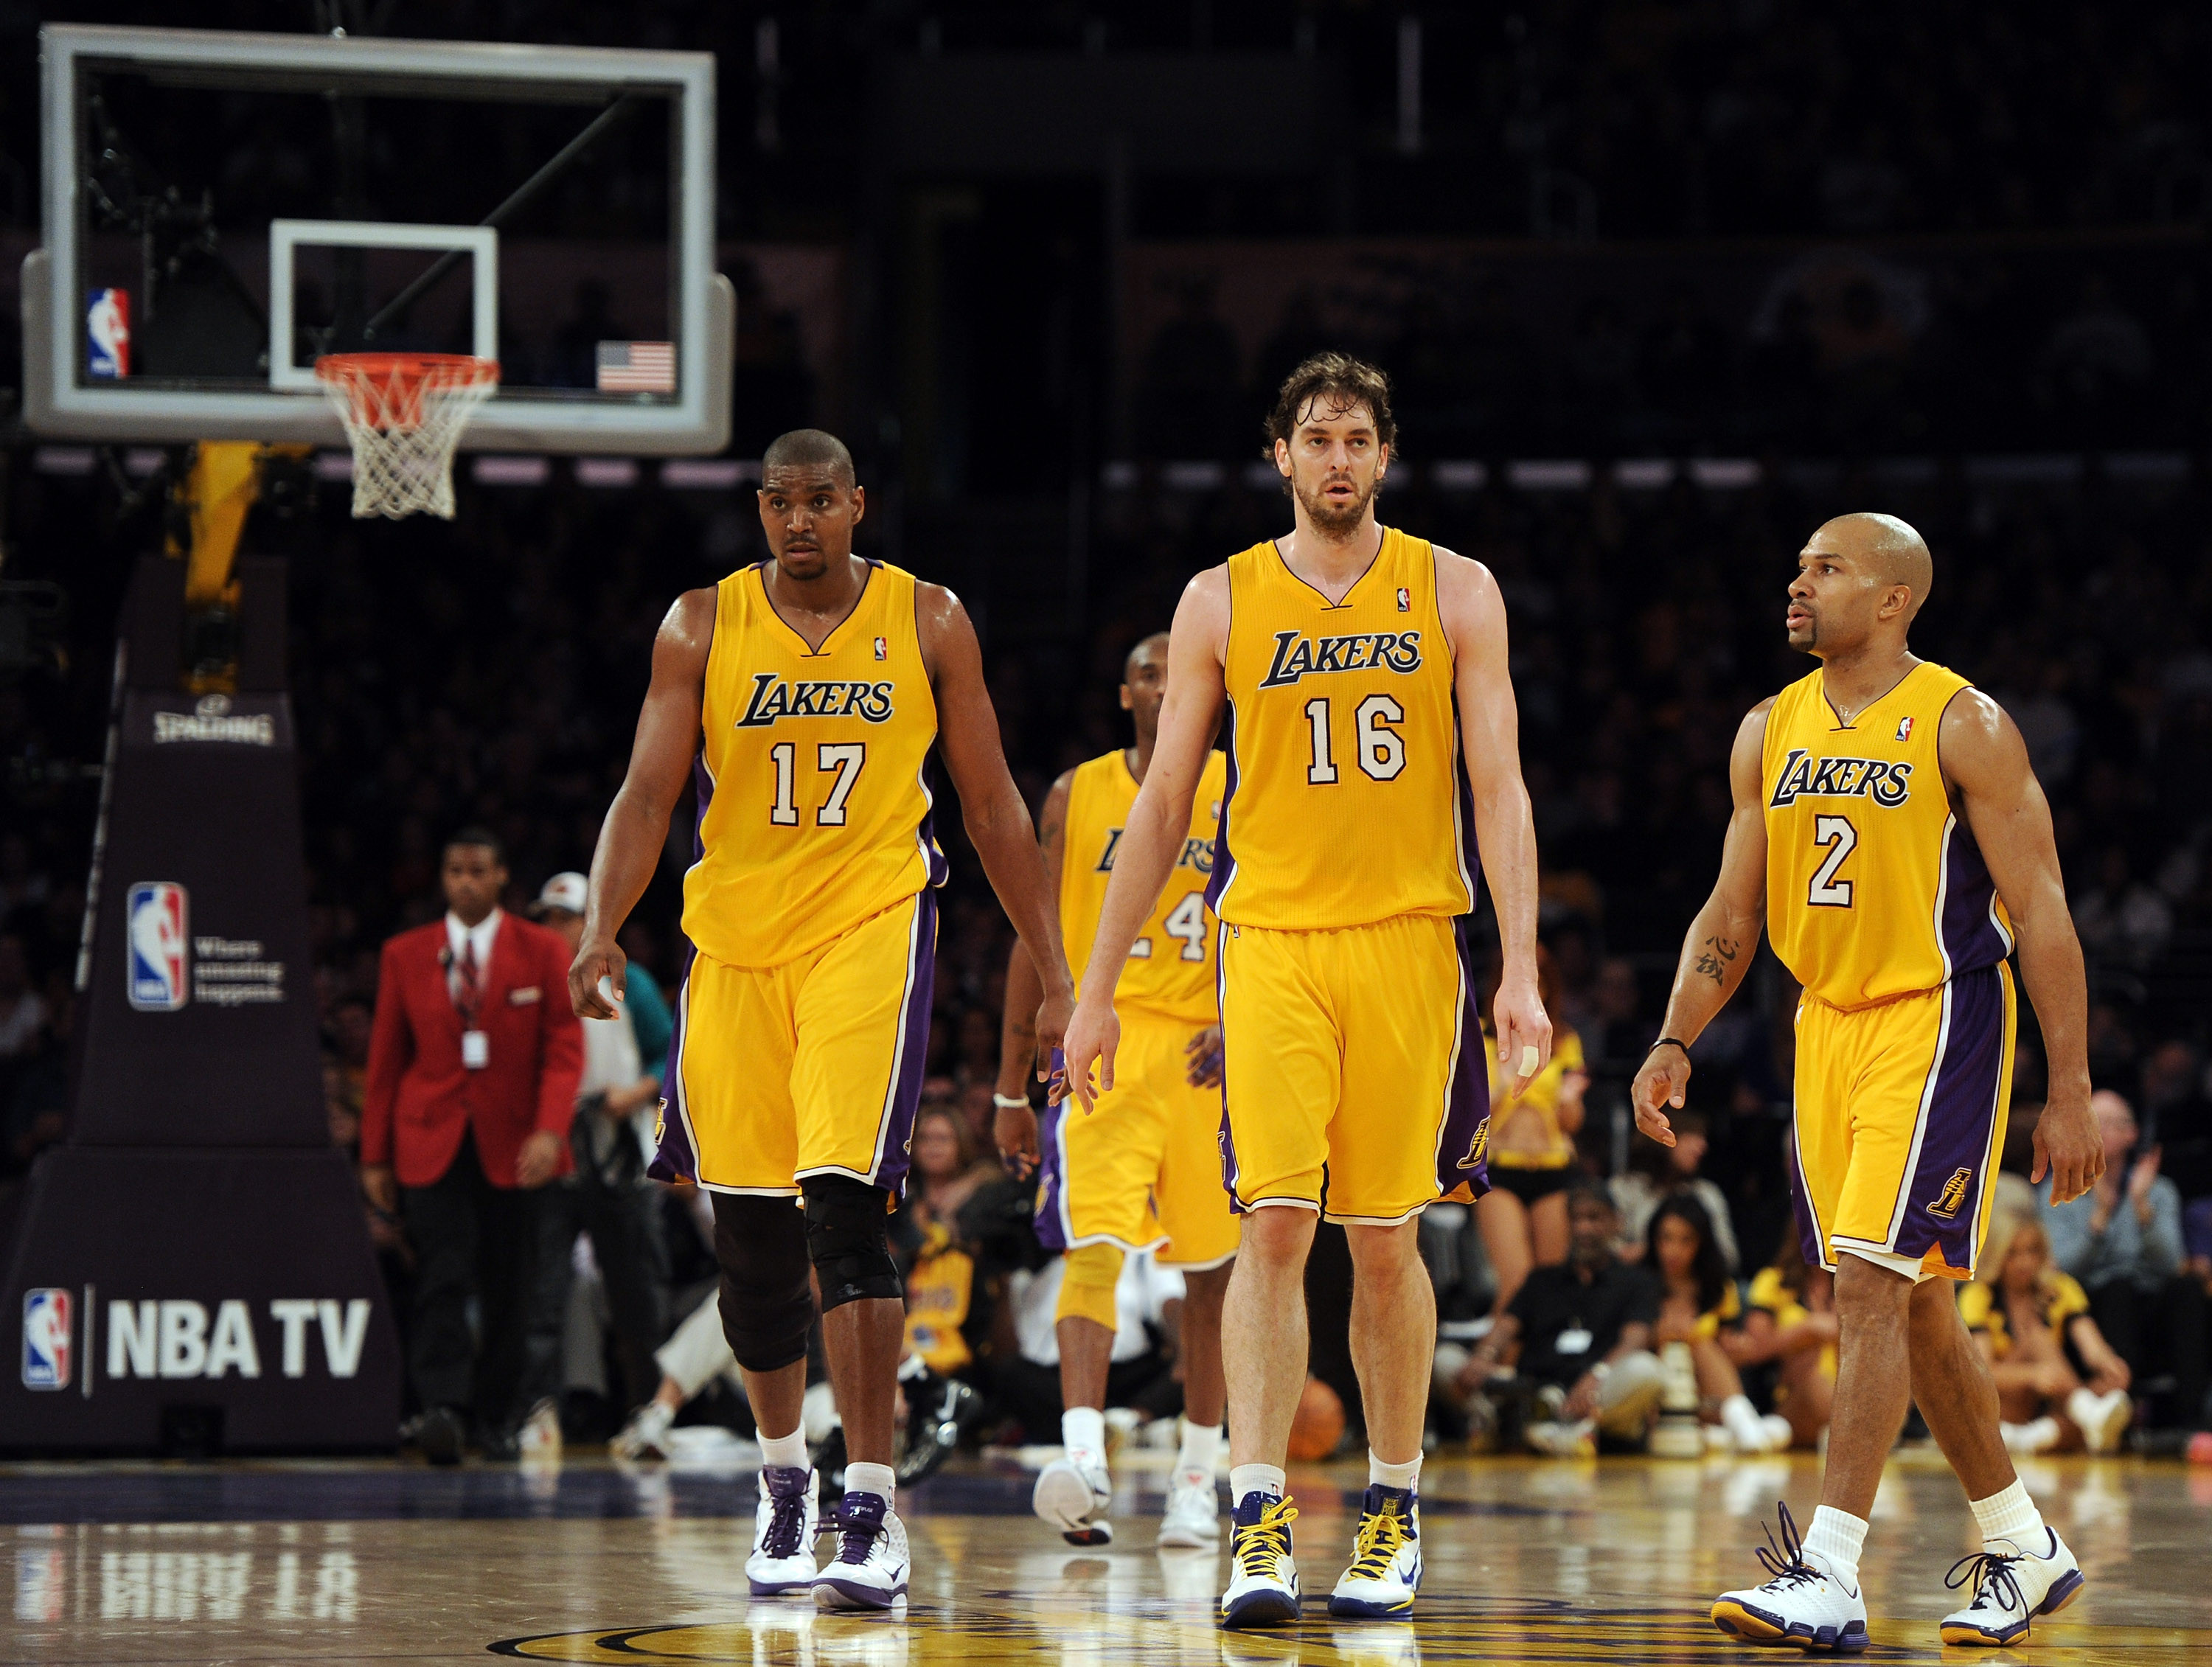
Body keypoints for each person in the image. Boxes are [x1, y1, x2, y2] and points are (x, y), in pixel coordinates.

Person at [1061, 354, 1551, 1629]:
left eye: (1357, 439)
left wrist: (1523, 967)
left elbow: (1498, 786)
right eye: (1315, 437)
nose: (1336, 458)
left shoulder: (1457, 588)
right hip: (1269, 940)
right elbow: (1165, 802)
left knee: (1386, 1239)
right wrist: (1097, 987)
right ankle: (1258, 1512)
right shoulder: (1220, 599)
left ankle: (1392, 1507)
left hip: (1409, 942)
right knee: (1273, 1227)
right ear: (1279, 456)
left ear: (1386, 457)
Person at [566, 428, 1074, 1612]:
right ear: (759, 509)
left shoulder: (929, 618)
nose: (800, 521)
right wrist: (601, 924)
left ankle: (872, 1501)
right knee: (748, 1240)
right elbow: (646, 791)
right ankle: (783, 1480)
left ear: (859, 506)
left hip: (868, 932)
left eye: (821, 502)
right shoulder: (699, 623)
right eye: (781, 503)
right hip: (733, 945)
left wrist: (1053, 966)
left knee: (844, 1208)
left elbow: (993, 803)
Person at [1632, 511, 2104, 1651]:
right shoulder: (1767, 729)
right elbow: (1732, 912)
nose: (1797, 584)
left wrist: (2073, 1087)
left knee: (1869, 1286)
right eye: (1798, 567)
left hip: (1937, 1018)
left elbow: (2041, 910)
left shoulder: (1965, 723)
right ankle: (2025, 1549)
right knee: (1922, 1306)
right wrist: (1674, 1035)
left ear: (1893, 598)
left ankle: (1831, 1568)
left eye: (1826, 569)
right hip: (1823, 1031)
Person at [992, 631, 1238, 1551]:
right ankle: (1084, 1460)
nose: (1166, 683)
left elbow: (1278, 912)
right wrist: (1011, 1084)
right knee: (1088, 1245)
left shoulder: (1242, 784)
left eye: (1184, 672)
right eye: (1147, 670)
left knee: (1213, 1275)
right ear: (1124, 691)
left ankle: (1194, 1481)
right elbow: (1033, 932)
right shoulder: (1076, 792)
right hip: (1105, 1043)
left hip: (1206, 1058)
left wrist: (1239, 1015)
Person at [361, 830, 585, 1464]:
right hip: (430, 1136)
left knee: (511, 1285)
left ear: (500, 877)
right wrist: (374, 1155)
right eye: (455, 870)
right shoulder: (405, 955)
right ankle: (444, 1409)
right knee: (441, 1276)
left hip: (516, 1144)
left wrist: (549, 1131)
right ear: (442, 878)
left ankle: (495, 1416)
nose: (465, 881)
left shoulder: (541, 949)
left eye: (478, 870)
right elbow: (385, 1060)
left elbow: (564, 1051)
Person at [529, 871, 675, 1427]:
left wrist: (637, 1090)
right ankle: (539, 1411)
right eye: (547, 918)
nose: (555, 928)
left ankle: (647, 1409)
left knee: (636, 1289)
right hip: (557, 1152)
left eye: (565, 918)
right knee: (544, 1288)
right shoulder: (533, 982)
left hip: (620, 1151)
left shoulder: (629, 982)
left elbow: (669, 1055)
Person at [1444, 1183, 1665, 1455]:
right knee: (1445, 1361)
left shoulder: (1637, 1282)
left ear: (1616, 1222)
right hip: (1531, 1390)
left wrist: (1598, 1375)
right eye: (1576, 1219)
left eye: (1594, 1218)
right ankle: (1504, 1424)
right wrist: (1484, 1356)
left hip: (1594, 1391)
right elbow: (1505, 1326)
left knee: (1646, 1370)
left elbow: (1635, 1338)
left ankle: (1561, 1432)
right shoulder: (1541, 1280)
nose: (1583, 1229)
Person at [2042, 1090, 2206, 1436]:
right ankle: (2122, 1418)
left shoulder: (2158, 1190)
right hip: (2090, 1309)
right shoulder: (2059, 1189)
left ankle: (2194, 1422)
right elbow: (2058, 1271)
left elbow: (2174, 1264)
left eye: (2109, 1123)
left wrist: (2142, 1208)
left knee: (2188, 1289)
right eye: (2093, 1121)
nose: (2098, 1131)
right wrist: (2098, 1222)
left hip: (2149, 1302)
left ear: (2131, 1134)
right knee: (2116, 1289)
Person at [1961, 1203, 2132, 1454]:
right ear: (1997, 1254)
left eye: (2032, 1251)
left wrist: (2110, 1365)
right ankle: (2084, 1413)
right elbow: (1983, 1373)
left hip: (2052, 1399)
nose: (2024, 1263)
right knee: (2038, 1337)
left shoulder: (2060, 1288)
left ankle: (2027, 1438)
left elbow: (2092, 1347)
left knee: (2107, 1388)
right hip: (2001, 1401)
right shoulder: (1979, 1295)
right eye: (2013, 1253)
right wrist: (2032, 1375)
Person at [1478, 947, 1588, 1318]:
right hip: (1500, 1167)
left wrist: (1570, 1100)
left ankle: (1538, 1370)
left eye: (1540, 973)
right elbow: (1474, 1112)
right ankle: (1501, 1368)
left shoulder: (1565, 1041)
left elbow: (1572, 1123)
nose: (1533, 983)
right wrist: (1504, 1081)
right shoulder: (1482, 1038)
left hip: (1553, 1165)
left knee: (1550, 1284)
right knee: (1515, 1280)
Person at [1648, 1196, 1792, 1453]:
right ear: (1654, 1239)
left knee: (1702, 1345)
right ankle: (1745, 1426)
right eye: (1666, 1238)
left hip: (1706, 1398)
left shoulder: (1718, 1290)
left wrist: (1737, 1348)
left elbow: (1726, 1353)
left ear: (1701, 1242)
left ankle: (1730, 1428)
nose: (1673, 1250)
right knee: (1692, 1343)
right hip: (1655, 1398)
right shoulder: (1640, 1284)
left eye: (1685, 1240)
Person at [1722, 1237, 1838, 1451]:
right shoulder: (1774, 1281)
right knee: (1813, 1376)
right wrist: (1806, 1330)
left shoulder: (1854, 1285)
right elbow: (1753, 1350)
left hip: (1844, 1388)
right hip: (1792, 1398)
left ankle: (1845, 1431)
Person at [1610, 1105, 1742, 1273]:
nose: (1702, 1146)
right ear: (1660, 1137)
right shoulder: (1624, 1189)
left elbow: (1729, 1257)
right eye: (1692, 1136)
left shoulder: (1707, 1194)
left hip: (1693, 1290)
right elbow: (1608, 1249)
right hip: (1636, 1285)